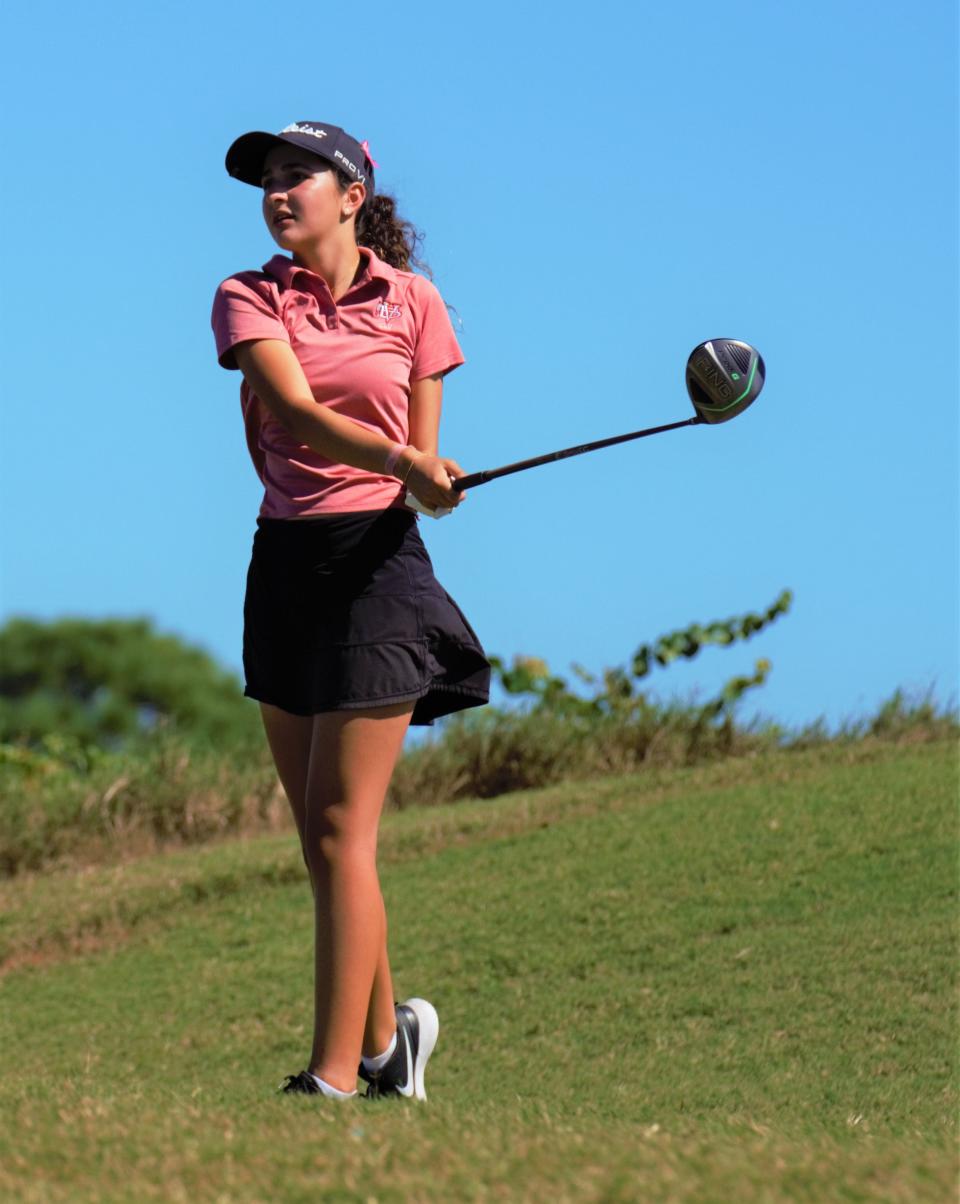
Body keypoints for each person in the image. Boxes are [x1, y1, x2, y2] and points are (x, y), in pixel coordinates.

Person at [210, 120, 490, 1102]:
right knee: (315, 834)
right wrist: (405, 463)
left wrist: (432, 481)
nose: (279, 192)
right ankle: (390, 1041)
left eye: (298, 176)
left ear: (352, 193)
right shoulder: (248, 296)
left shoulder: (416, 303)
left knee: (341, 832)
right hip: (285, 565)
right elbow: (290, 411)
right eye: (268, 180)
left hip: (376, 566)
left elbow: (422, 465)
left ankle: (335, 1079)